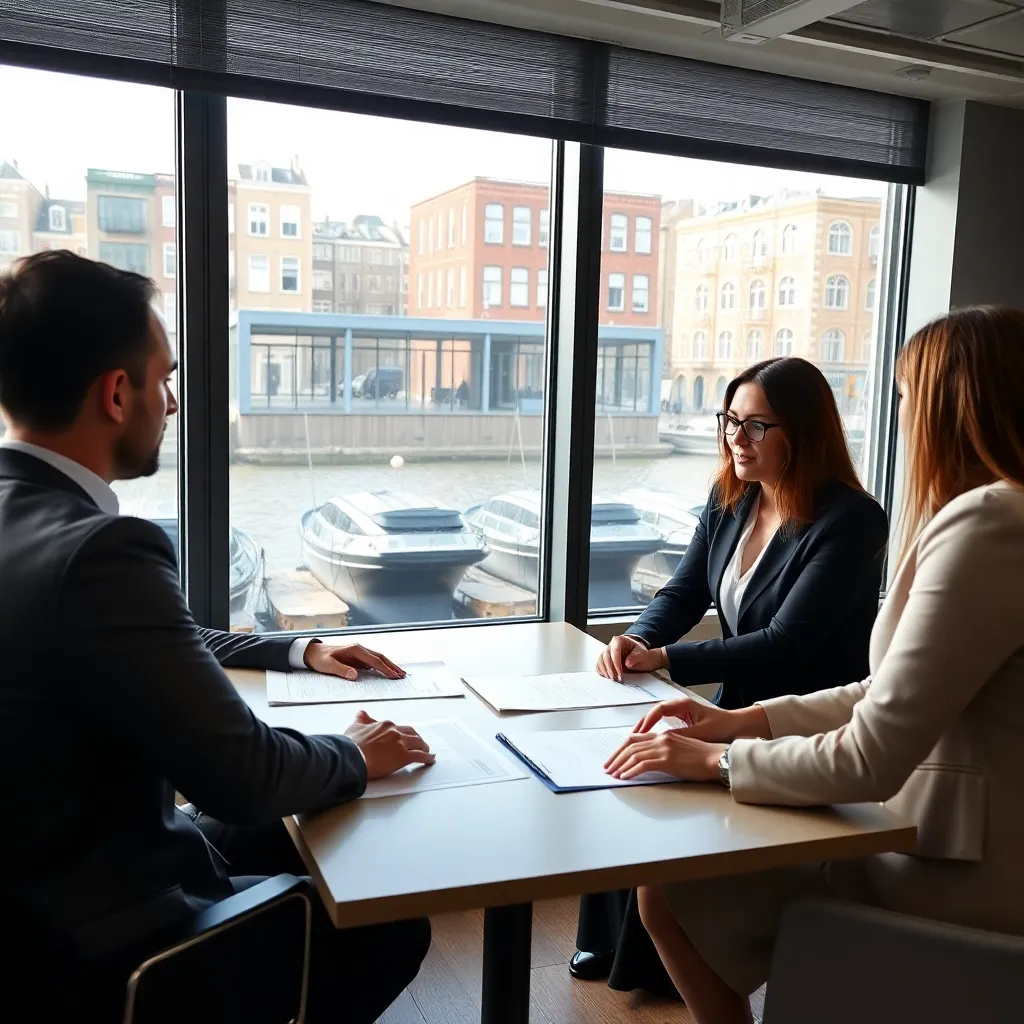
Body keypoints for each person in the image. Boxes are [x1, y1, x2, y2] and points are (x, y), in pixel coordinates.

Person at [0, 251, 431, 1023]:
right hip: (108, 946)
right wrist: (354, 754)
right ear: (117, 392)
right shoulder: (101, 551)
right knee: (384, 915)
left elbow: (151, 642)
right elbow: (244, 776)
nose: (171, 403)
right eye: (165, 379)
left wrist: (296, 648)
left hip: (42, 893)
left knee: (293, 832)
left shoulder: (31, 528)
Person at [605, 305, 1024, 1024]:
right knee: (667, 889)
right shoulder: (996, 517)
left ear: (950, 406)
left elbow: (868, 756)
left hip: (953, 864)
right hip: (940, 830)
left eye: (903, 398)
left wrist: (714, 761)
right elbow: (881, 689)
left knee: (674, 887)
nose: (899, 417)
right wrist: (734, 720)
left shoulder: (987, 524)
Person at [572, 357, 888, 994]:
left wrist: (667, 661)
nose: (734, 440)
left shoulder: (852, 520)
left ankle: (676, 952)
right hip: (734, 703)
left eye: (756, 427)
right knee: (623, 768)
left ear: (803, 431)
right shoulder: (731, 497)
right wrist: (640, 635)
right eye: (729, 421)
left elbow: (785, 645)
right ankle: (621, 948)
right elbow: (684, 591)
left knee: (655, 776)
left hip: (803, 721)